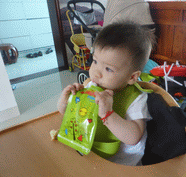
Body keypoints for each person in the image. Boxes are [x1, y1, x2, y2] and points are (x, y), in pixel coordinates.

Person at [57, 21, 156, 166]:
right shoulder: (91, 85)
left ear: (132, 77)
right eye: (95, 61)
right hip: (90, 148)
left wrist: (107, 115)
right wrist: (65, 103)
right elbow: (73, 116)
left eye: (108, 69)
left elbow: (134, 137)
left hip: (121, 162)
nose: (96, 72)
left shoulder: (136, 98)